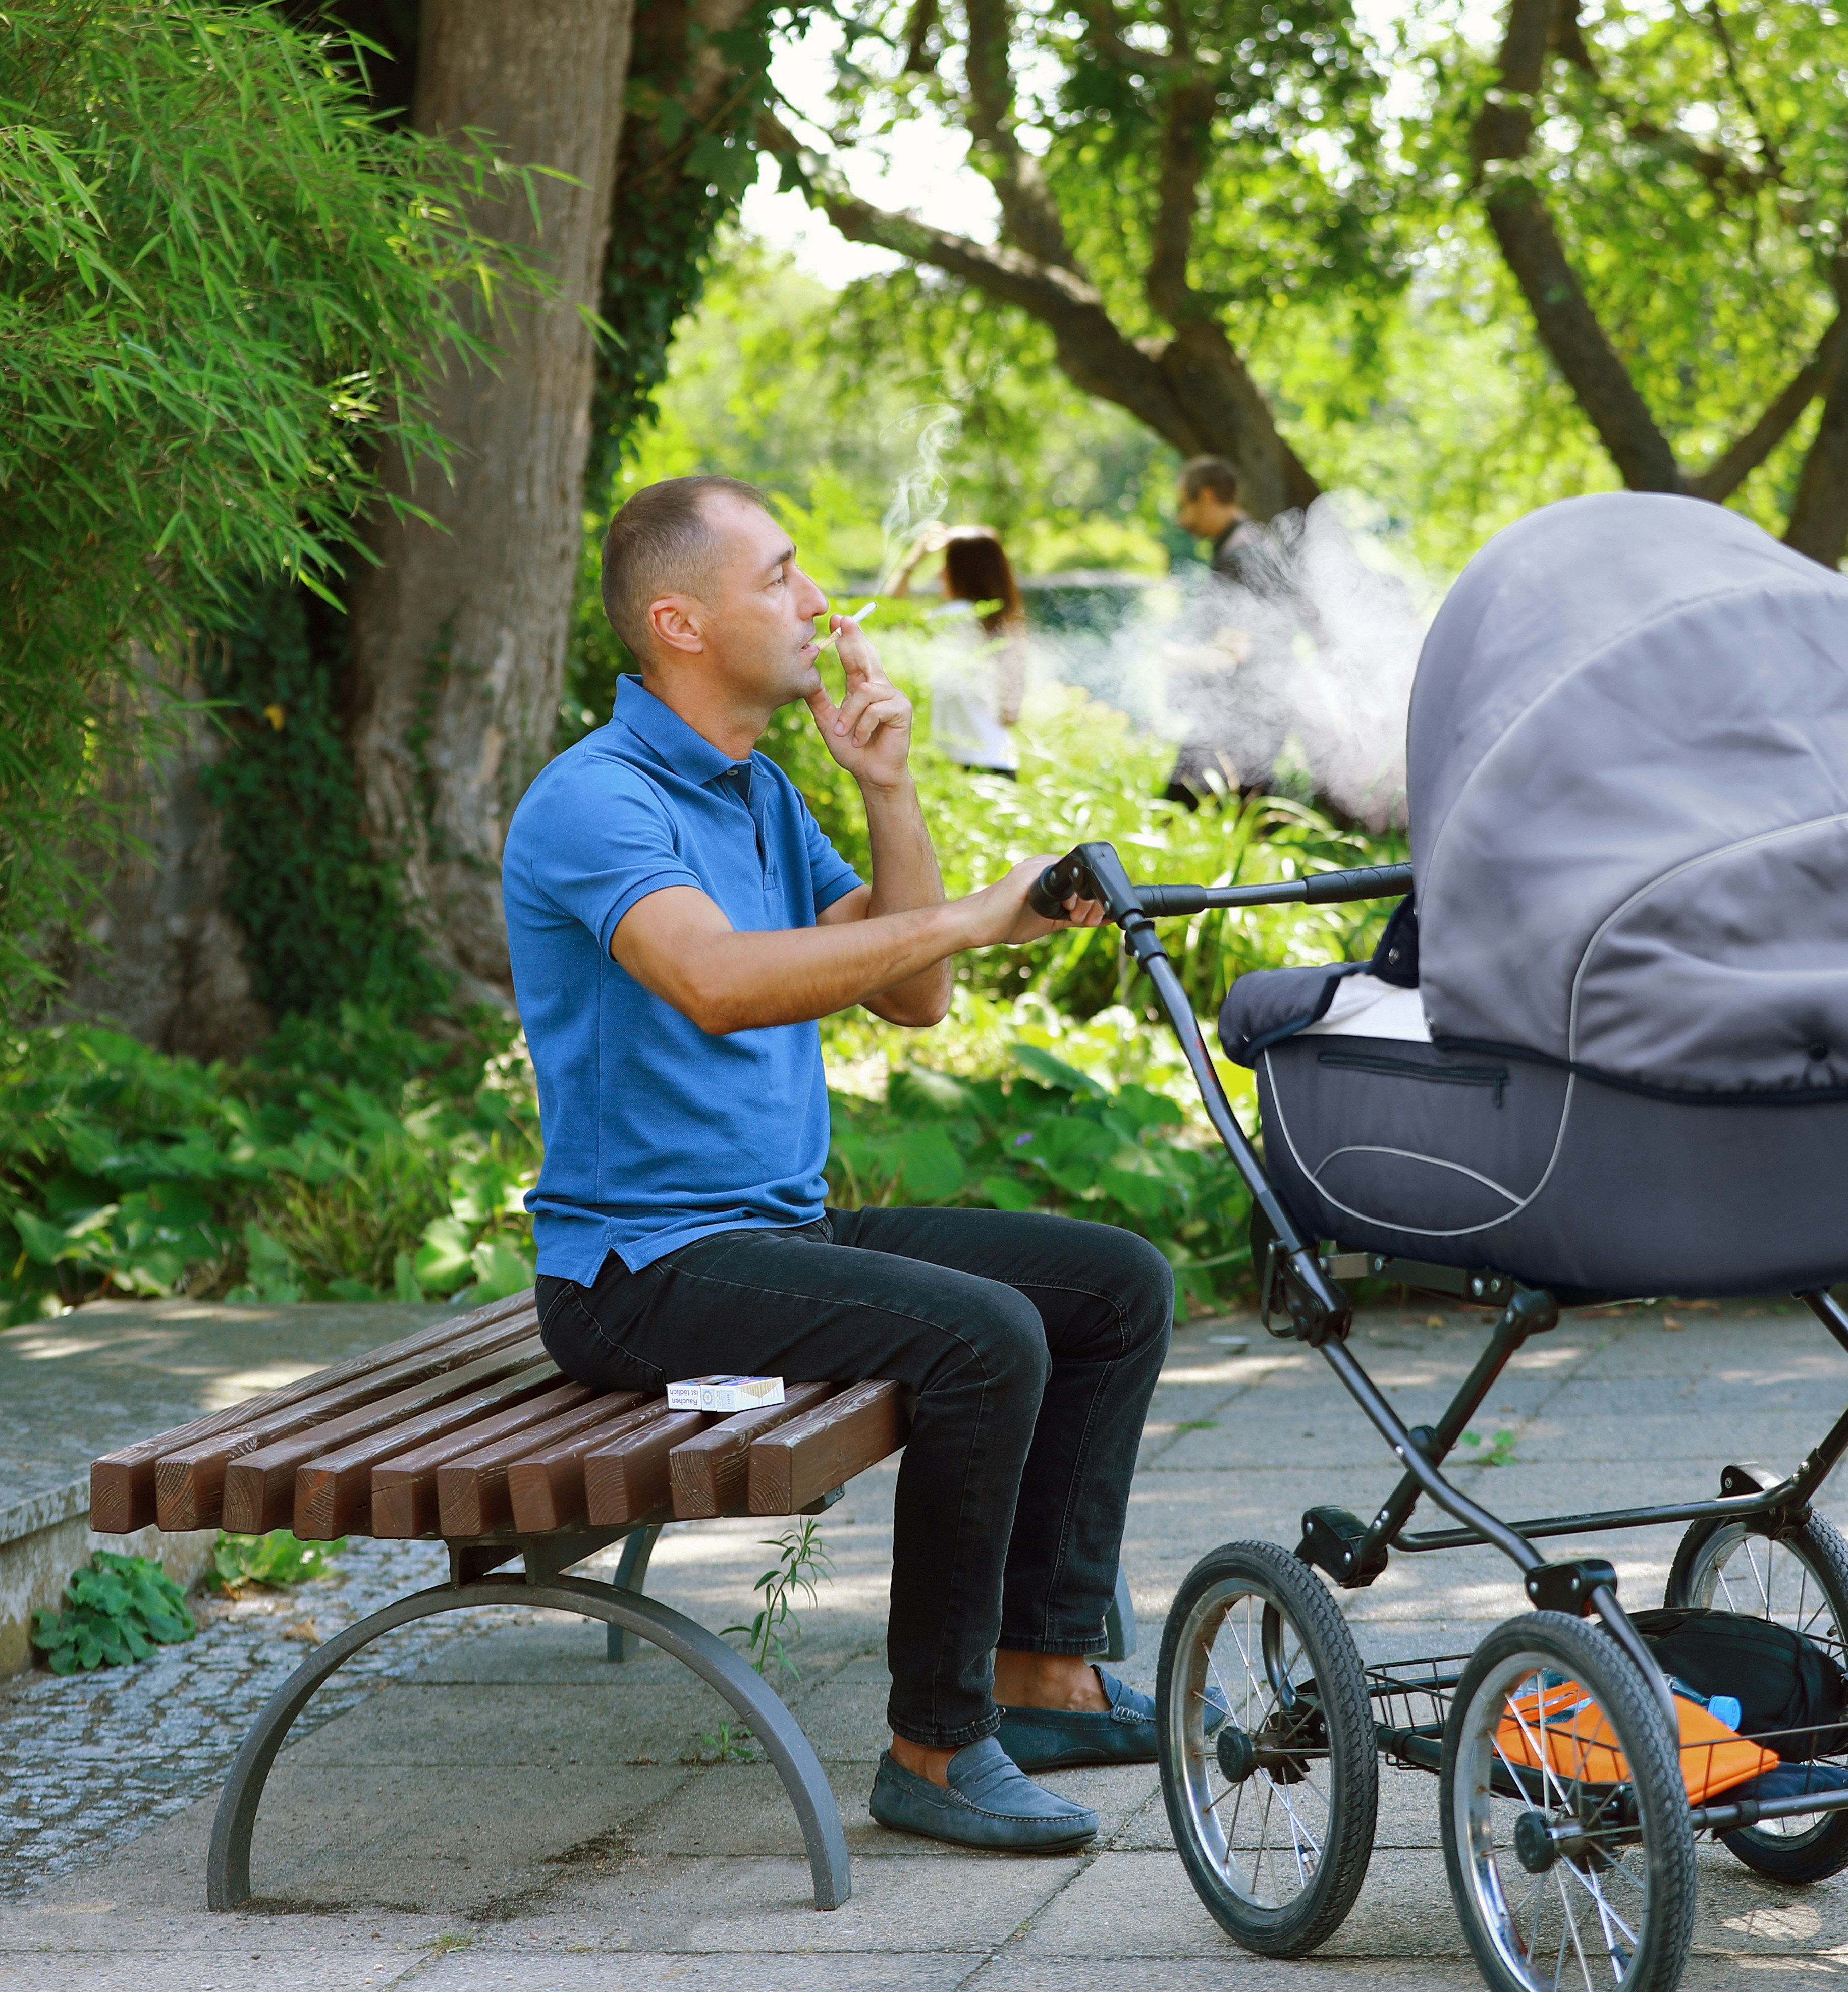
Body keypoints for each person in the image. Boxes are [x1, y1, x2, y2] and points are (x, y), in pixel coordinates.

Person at [502, 474, 1177, 1855]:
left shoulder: (753, 793)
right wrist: (993, 914)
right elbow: (717, 982)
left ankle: (1041, 1668)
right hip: (641, 1279)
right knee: (985, 1340)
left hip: (770, 1239)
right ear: (681, 622)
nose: (822, 604)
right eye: (784, 577)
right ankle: (936, 1747)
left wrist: (888, 787)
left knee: (1113, 1282)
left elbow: (910, 992)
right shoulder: (594, 802)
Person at [1162, 454, 1304, 806]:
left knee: (1181, 806)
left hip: (1250, 709)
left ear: (1207, 497)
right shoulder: (1246, 544)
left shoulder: (1243, 554)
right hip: (1251, 706)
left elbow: (1233, 649)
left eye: (1185, 506)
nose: (1182, 520)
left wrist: (1172, 657)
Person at [888, 523, 1029, 776]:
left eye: (947, 564)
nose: (940, 573)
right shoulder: (1004, 622)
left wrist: (913, 560)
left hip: (966, 765)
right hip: (1000, 760)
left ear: (964, 571)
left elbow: (890, 613)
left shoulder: (955, 618)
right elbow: (1012, 712)